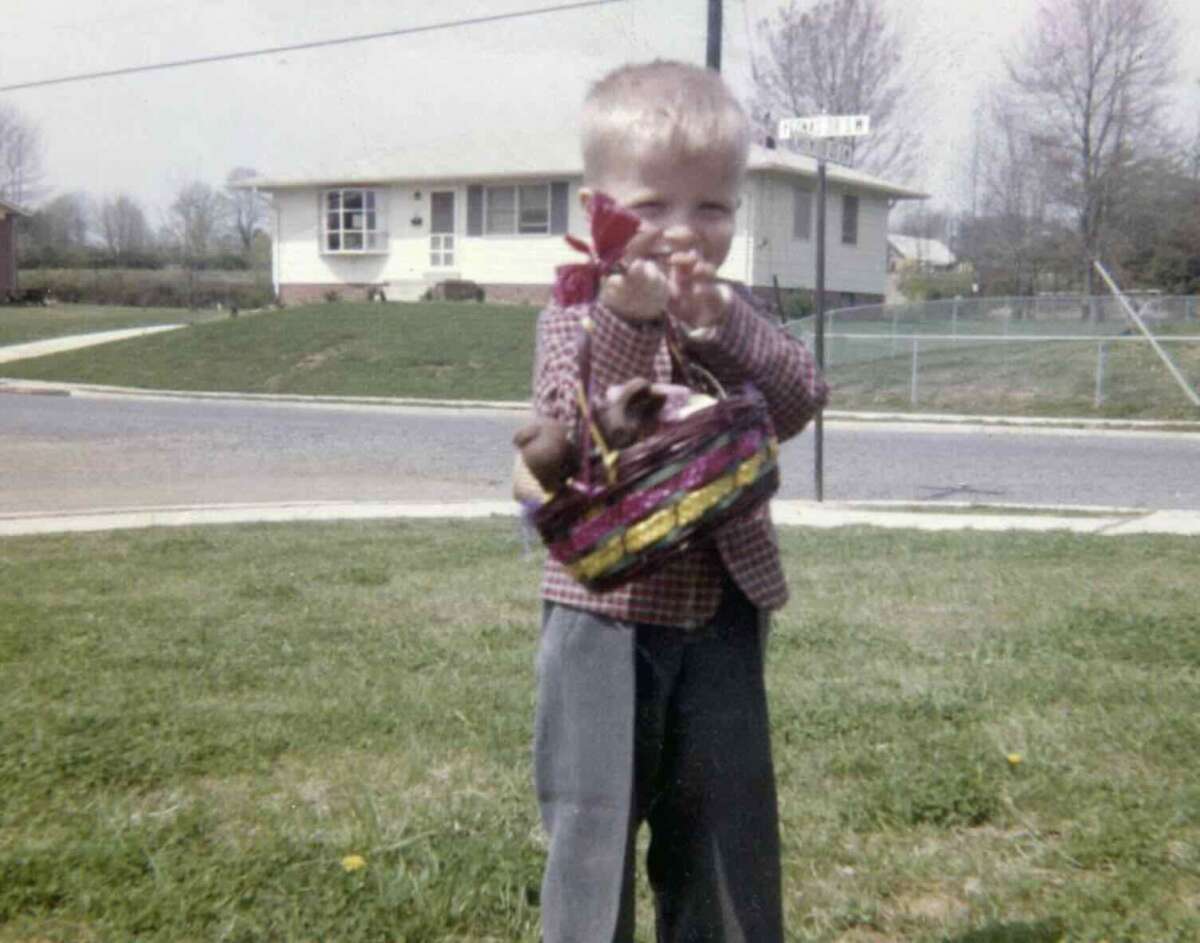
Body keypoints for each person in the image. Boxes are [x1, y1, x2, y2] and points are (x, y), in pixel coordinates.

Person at [530, 60, 829, 942]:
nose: (683, 233)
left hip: (726, 616)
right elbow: (584, 437)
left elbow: (798, 399)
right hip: (604, 619)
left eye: (713, 207)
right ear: (597, 211)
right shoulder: (573, 315)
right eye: (651, 206)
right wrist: (628, 323)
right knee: (594, 827)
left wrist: (720, 325)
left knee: (726, 835)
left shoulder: (729, 311)